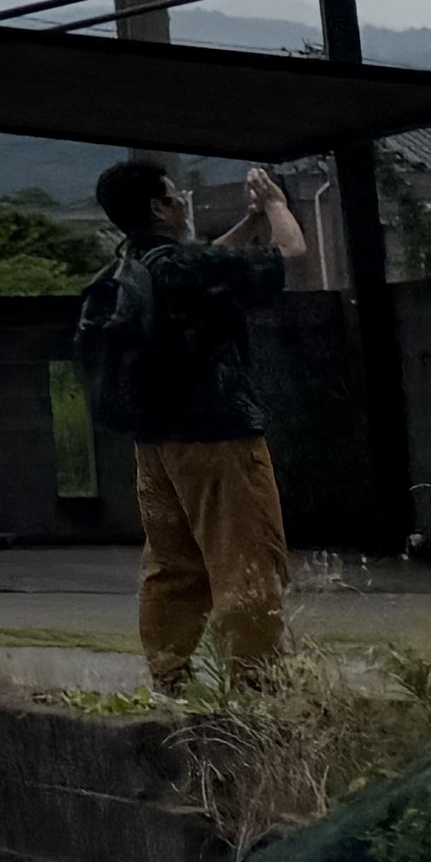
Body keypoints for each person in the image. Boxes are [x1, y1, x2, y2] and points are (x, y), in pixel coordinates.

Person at [78, 155, 314, 692]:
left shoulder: (135, 265)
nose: (182, 199)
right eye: (173, 193)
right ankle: (258, 689)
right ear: (160, 207)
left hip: (155, 445)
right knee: (249, 560)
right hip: (217, 436)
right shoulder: (184, 269)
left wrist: (250, 220)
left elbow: (207, 261)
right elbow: (291, 254)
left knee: (173, 566)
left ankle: (170, 680)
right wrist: (276, 207)